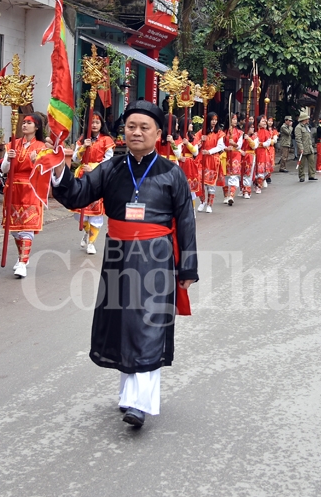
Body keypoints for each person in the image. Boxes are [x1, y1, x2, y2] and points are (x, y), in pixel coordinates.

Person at [50, 100, 198, 428]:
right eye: (131, 126)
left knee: (146, 324)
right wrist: (60, 170)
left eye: (144, 127)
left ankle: (139, 403)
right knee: (121, 323)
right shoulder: (112, 167)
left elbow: (186, 221)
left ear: (158, 133)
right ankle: (128, 394)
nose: (136, 132)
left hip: (156, 259)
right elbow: (78, 194)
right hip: (117, 255)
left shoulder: (171, 173)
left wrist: (187, 267)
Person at [1, 112, 49, 278]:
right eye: (24, 122)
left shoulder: (42, 147)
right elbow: (4, 170)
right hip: (13, 188)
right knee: (14, 228)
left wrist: (37, 162)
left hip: (31, 188)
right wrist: (9, 159)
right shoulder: (12, 145)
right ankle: (22, 256)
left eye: (29, 123)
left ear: (36, 127)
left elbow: (44, 172)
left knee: (27, 226)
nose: (25, 125)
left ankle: (22, 261)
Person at [72, 111, 116, 254]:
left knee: (96, 211)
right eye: (92, 122)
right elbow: (75, 159)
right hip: (83, 174)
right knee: (79, 212)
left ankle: (91, 242)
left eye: (97, 122)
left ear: (101, 124)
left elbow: (109, 160)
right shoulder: (83, 139)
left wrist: (94, 168)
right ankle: (87, 231)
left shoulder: (106, 140)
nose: (95, 125)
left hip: (98, 175)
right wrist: (83, 147)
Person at [193, 112, 225, 212]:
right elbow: (194, 146)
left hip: (212, 159)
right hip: (201, 159)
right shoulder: (201, 132)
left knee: (211, 183)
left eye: (215, 120)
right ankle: (202, 202)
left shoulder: (219, 133)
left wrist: (209, 151)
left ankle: (210, 204)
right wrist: (200, 141)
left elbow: (220, 146)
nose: (214, 122)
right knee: (200, 181)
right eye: (212, 120)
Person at [222, 113, 243, 205]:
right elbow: (220, 144)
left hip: (235, 155)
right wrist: (225, 148)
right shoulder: (223, 133)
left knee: (233, 176)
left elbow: (240, 145)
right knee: (225, 176)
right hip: (225, 155)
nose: (235, 121)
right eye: (233, 119)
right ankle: (226, 196)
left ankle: (231, 195)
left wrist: (233, 144)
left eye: (236, 119)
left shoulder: (239, 132)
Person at [294, 109, 317, 182]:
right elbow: (298, 139)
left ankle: (311, 175)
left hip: (309, 147)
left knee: (312, 162)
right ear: (304, 119)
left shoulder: (307, 126)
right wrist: (301, 148)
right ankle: (301, 176)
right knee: (302, 164)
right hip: (303, 148)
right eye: (307, 119)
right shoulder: (298, 127)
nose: (308, 120)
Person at [254, 116, 272, 194]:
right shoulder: (255, 132)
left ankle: (259, 186)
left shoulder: (266, 132)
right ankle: (255, 183)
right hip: (254, 152)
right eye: (262, 121)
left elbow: (268, 142)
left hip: (262, 152)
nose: (264, 123)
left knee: (261, 170)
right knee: (254, 170)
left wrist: (261, 144)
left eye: (265, 121)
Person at [240, 120, 258, 198]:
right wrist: (240, 151)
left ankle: (247, 190)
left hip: (250, 156)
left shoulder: (255, 137)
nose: (253, 129)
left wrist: (248, 139)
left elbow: (254, 146)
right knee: (241, 173)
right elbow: (237, 146)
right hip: (241, 156)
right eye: (251, 128)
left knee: (248, 174)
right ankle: (242, 188)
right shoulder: (241, 136)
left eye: (253, 127)